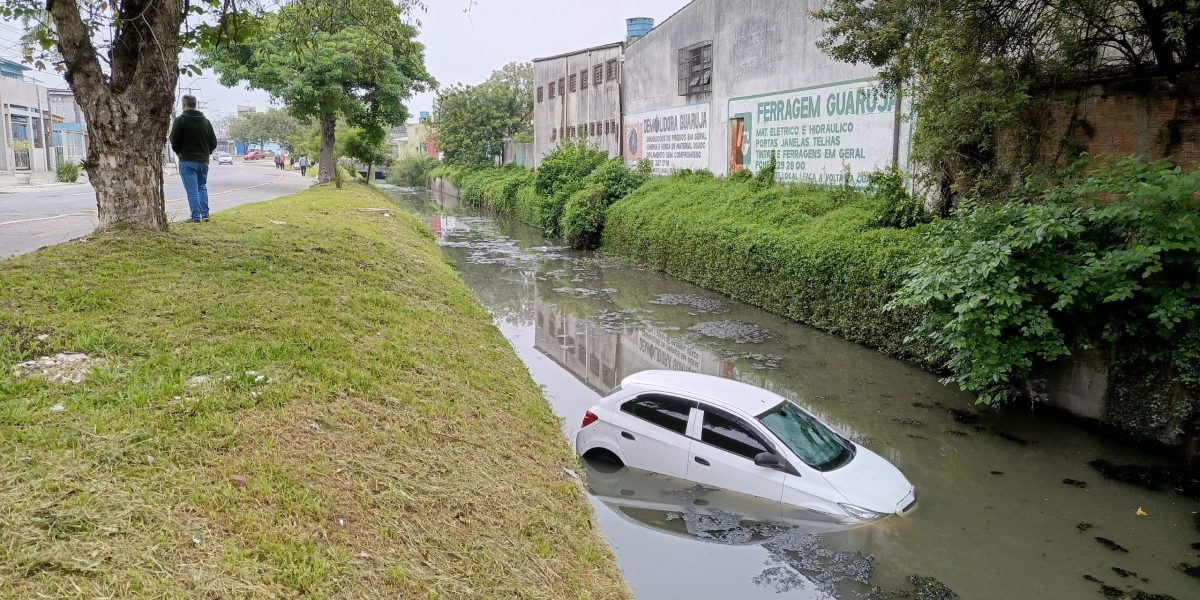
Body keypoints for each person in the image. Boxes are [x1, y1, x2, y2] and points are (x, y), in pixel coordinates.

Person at [168, 95, 217, 223]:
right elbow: (213, 142)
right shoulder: (205, 121)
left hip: (187, 160)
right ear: (195, 104)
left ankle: (195, 217)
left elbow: (173, 140)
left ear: (183, 105)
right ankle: (205, 215)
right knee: (201, 187)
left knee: (192, 190)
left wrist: (179, 152)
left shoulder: (180, 120)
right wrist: (206, 152)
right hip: (203, 161)